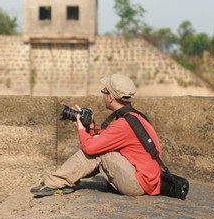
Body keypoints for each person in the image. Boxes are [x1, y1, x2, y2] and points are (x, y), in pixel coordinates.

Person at [31, 73, 162, 197]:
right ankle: (60, 181)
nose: (103, 95)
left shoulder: (123, 124)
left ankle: (53, 183)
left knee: (100, 150)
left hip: (138, 184)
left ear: (110, 97)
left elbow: (92, 148)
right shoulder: (134, 115)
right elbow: (110, 138)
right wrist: (91, 127)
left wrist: (81, 129)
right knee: (99, 143)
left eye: (104, 92)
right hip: (148, 181)